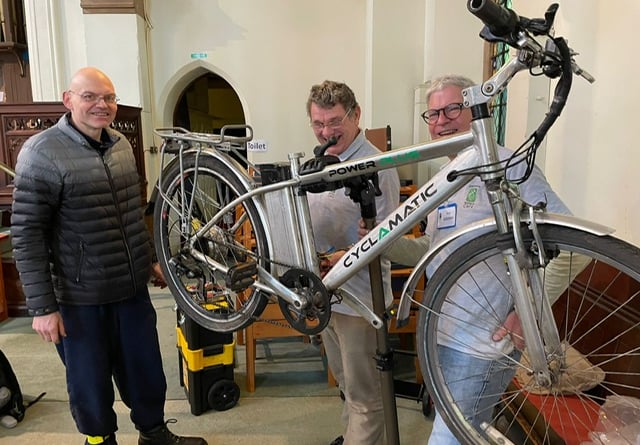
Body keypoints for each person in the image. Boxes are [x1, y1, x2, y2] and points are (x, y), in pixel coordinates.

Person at [10, 67, 207, 445]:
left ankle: (154, 434)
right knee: (90, 383)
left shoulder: (119, 144)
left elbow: (131, 214)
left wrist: (149, 259)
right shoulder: (41, 152)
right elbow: (27, 234)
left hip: (130, 290)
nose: (102, 105)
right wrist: (41, 307)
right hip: (79, 299)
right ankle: (100, 442)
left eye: (109, 97)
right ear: (69, 100)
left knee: (145, 370)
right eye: (91, 97)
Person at [378, 74, 572, 444]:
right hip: (442, 336)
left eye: (453, 108)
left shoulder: (510, 166)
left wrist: (527, 310)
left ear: (477, 110)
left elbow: (570, 245)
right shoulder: (447, 175)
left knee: (448, 440)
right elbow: (435, 251)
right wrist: (382, 244)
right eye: (432, 114)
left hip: (483, 345)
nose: (440, 121)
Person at [305, 80, 400, 445]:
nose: (326, 132)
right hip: (327, 294)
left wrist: (348, 255)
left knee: (366, 398)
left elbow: (389, 236)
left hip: (361, 301)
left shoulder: (379, 165)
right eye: (318, 124)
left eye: (333, 121)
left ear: (356, 115)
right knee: (346, 383)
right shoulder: (322, 162)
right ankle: (352, 437)